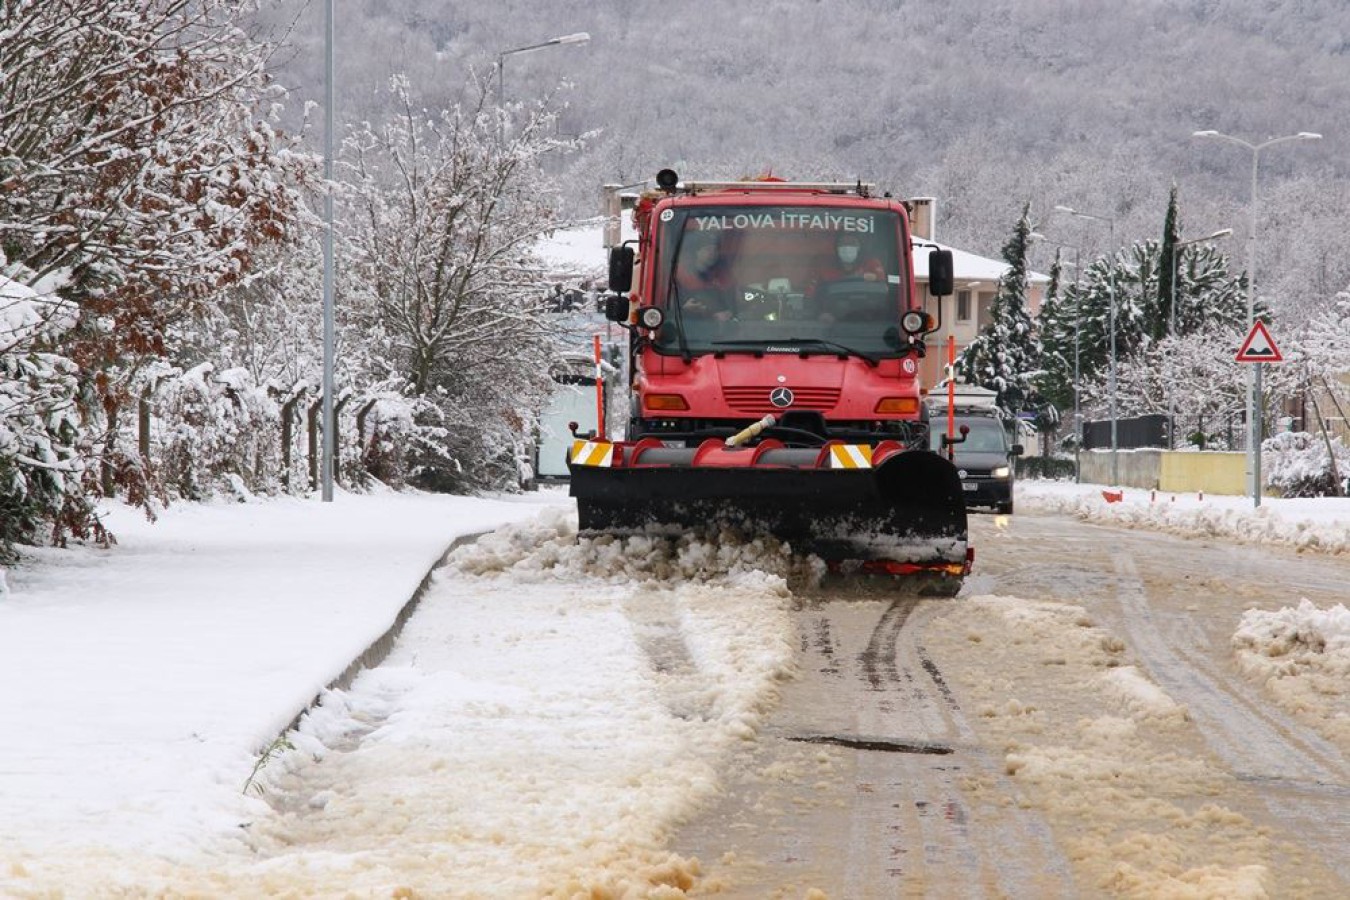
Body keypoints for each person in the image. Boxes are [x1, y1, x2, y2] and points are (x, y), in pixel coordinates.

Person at [676, 237, 733, 320]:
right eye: (708, 249)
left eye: (715, 250)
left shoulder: (723, 275)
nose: (712, 253)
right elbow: (671, 312)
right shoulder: (682, 276)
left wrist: (729, 313)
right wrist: (685, 310)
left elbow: (732, 304)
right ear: (697, 252)